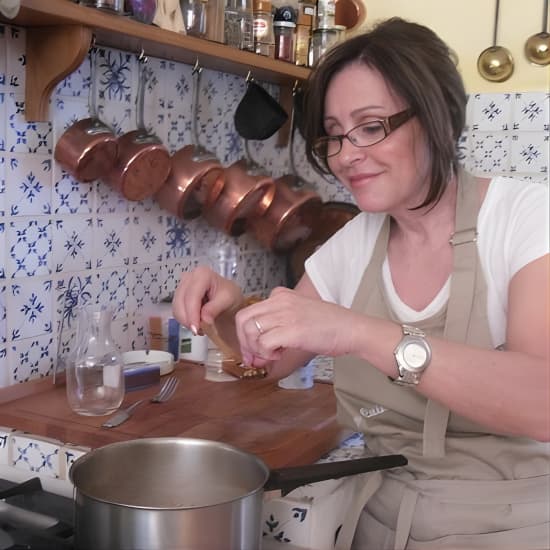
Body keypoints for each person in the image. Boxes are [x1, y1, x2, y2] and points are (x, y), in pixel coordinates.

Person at [173, 17, 549, 550]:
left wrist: (361, 333)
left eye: (372, 126)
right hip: (378, 522)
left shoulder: (527, 217)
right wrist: (229, 314)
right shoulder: (354, 244)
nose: (347, 154)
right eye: (334, 135)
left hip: (516, 525)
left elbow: (541, 403)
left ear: (438, 116)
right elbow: (268, 360)